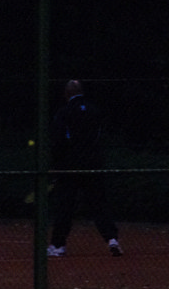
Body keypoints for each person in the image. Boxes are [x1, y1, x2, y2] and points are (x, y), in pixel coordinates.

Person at [48, 79, 121, 257]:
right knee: (99, 203)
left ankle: (58, 245)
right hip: (93, 165)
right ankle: (112, 238)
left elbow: (59, 140)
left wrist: (56, 165)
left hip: (70, 167)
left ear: (67, 93)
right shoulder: (95, 111)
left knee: (65, 206)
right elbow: (99, 138)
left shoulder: (64, 112)